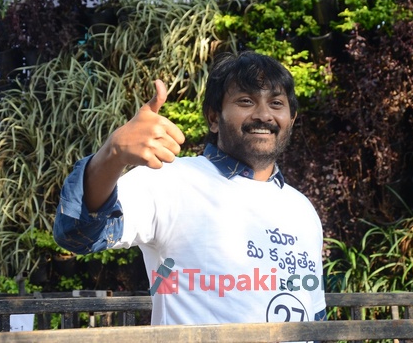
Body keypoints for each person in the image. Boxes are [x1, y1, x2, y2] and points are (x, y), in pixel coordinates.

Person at [54, 51, 326, 326]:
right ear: (213, 117)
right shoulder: (167, 180)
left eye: (276, 103)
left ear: (291, 119)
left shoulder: (301, 208)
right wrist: (111, 155)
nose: (264, 115)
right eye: (246, 101)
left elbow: (315, 315)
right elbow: (77, 233)